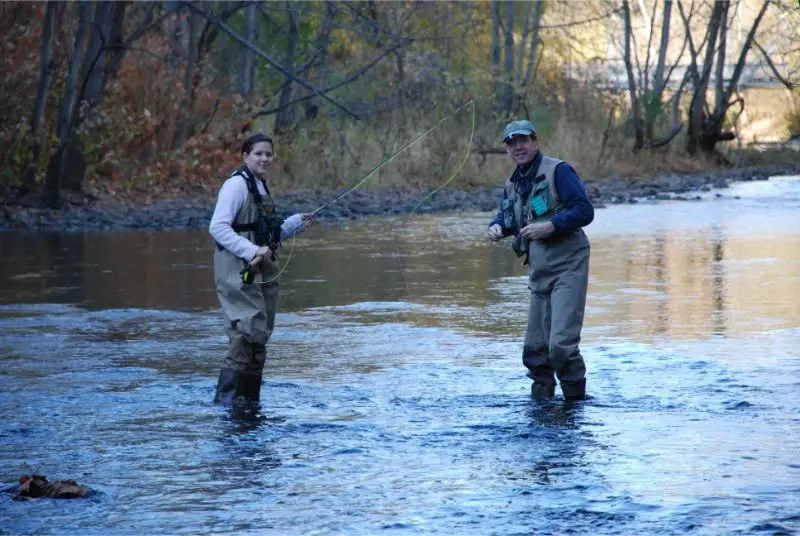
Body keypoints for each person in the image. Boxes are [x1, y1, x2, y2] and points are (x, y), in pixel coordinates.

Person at [487, 120, 594, 401]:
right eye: (511, 143)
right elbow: (508, 217)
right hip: (539, 270)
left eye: (522, 140)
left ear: (535, 141)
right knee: (534, 351)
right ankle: (541, 411)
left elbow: (584, 210)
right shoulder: (512, 183)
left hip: (569, 266)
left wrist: (552, 226)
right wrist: (497, 227)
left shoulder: (559, 171)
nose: (518, 147)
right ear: (507, 149)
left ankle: (574, 409)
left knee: (561, 347)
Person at [209, 133, 313, 405]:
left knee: (261, 331)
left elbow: (267, 233)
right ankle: (227, 402)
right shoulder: (236, 186)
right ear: (245, 156)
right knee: (247, 329)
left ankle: (249, 401)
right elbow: (218, 228)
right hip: (236, 266)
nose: (265, 158)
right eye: (258, 153)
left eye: (269, 154)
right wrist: (252, 251)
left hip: (261, 267)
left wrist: (294, 224)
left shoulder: (261, 186)